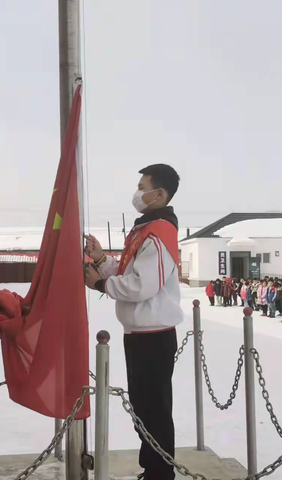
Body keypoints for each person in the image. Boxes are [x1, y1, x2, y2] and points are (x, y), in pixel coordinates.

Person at [84, 164, 182, 480]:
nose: (137, 193)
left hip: (153, 335)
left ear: (160, 194)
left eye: (143, 187)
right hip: (140, 333)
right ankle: (152, 467)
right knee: (145, 407)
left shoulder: (159, 232)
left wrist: (101, 283)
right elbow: (130, 273)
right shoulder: (146, 228)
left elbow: (141, 286)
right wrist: (102, 261)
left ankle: (160, 472)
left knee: (153, 409)